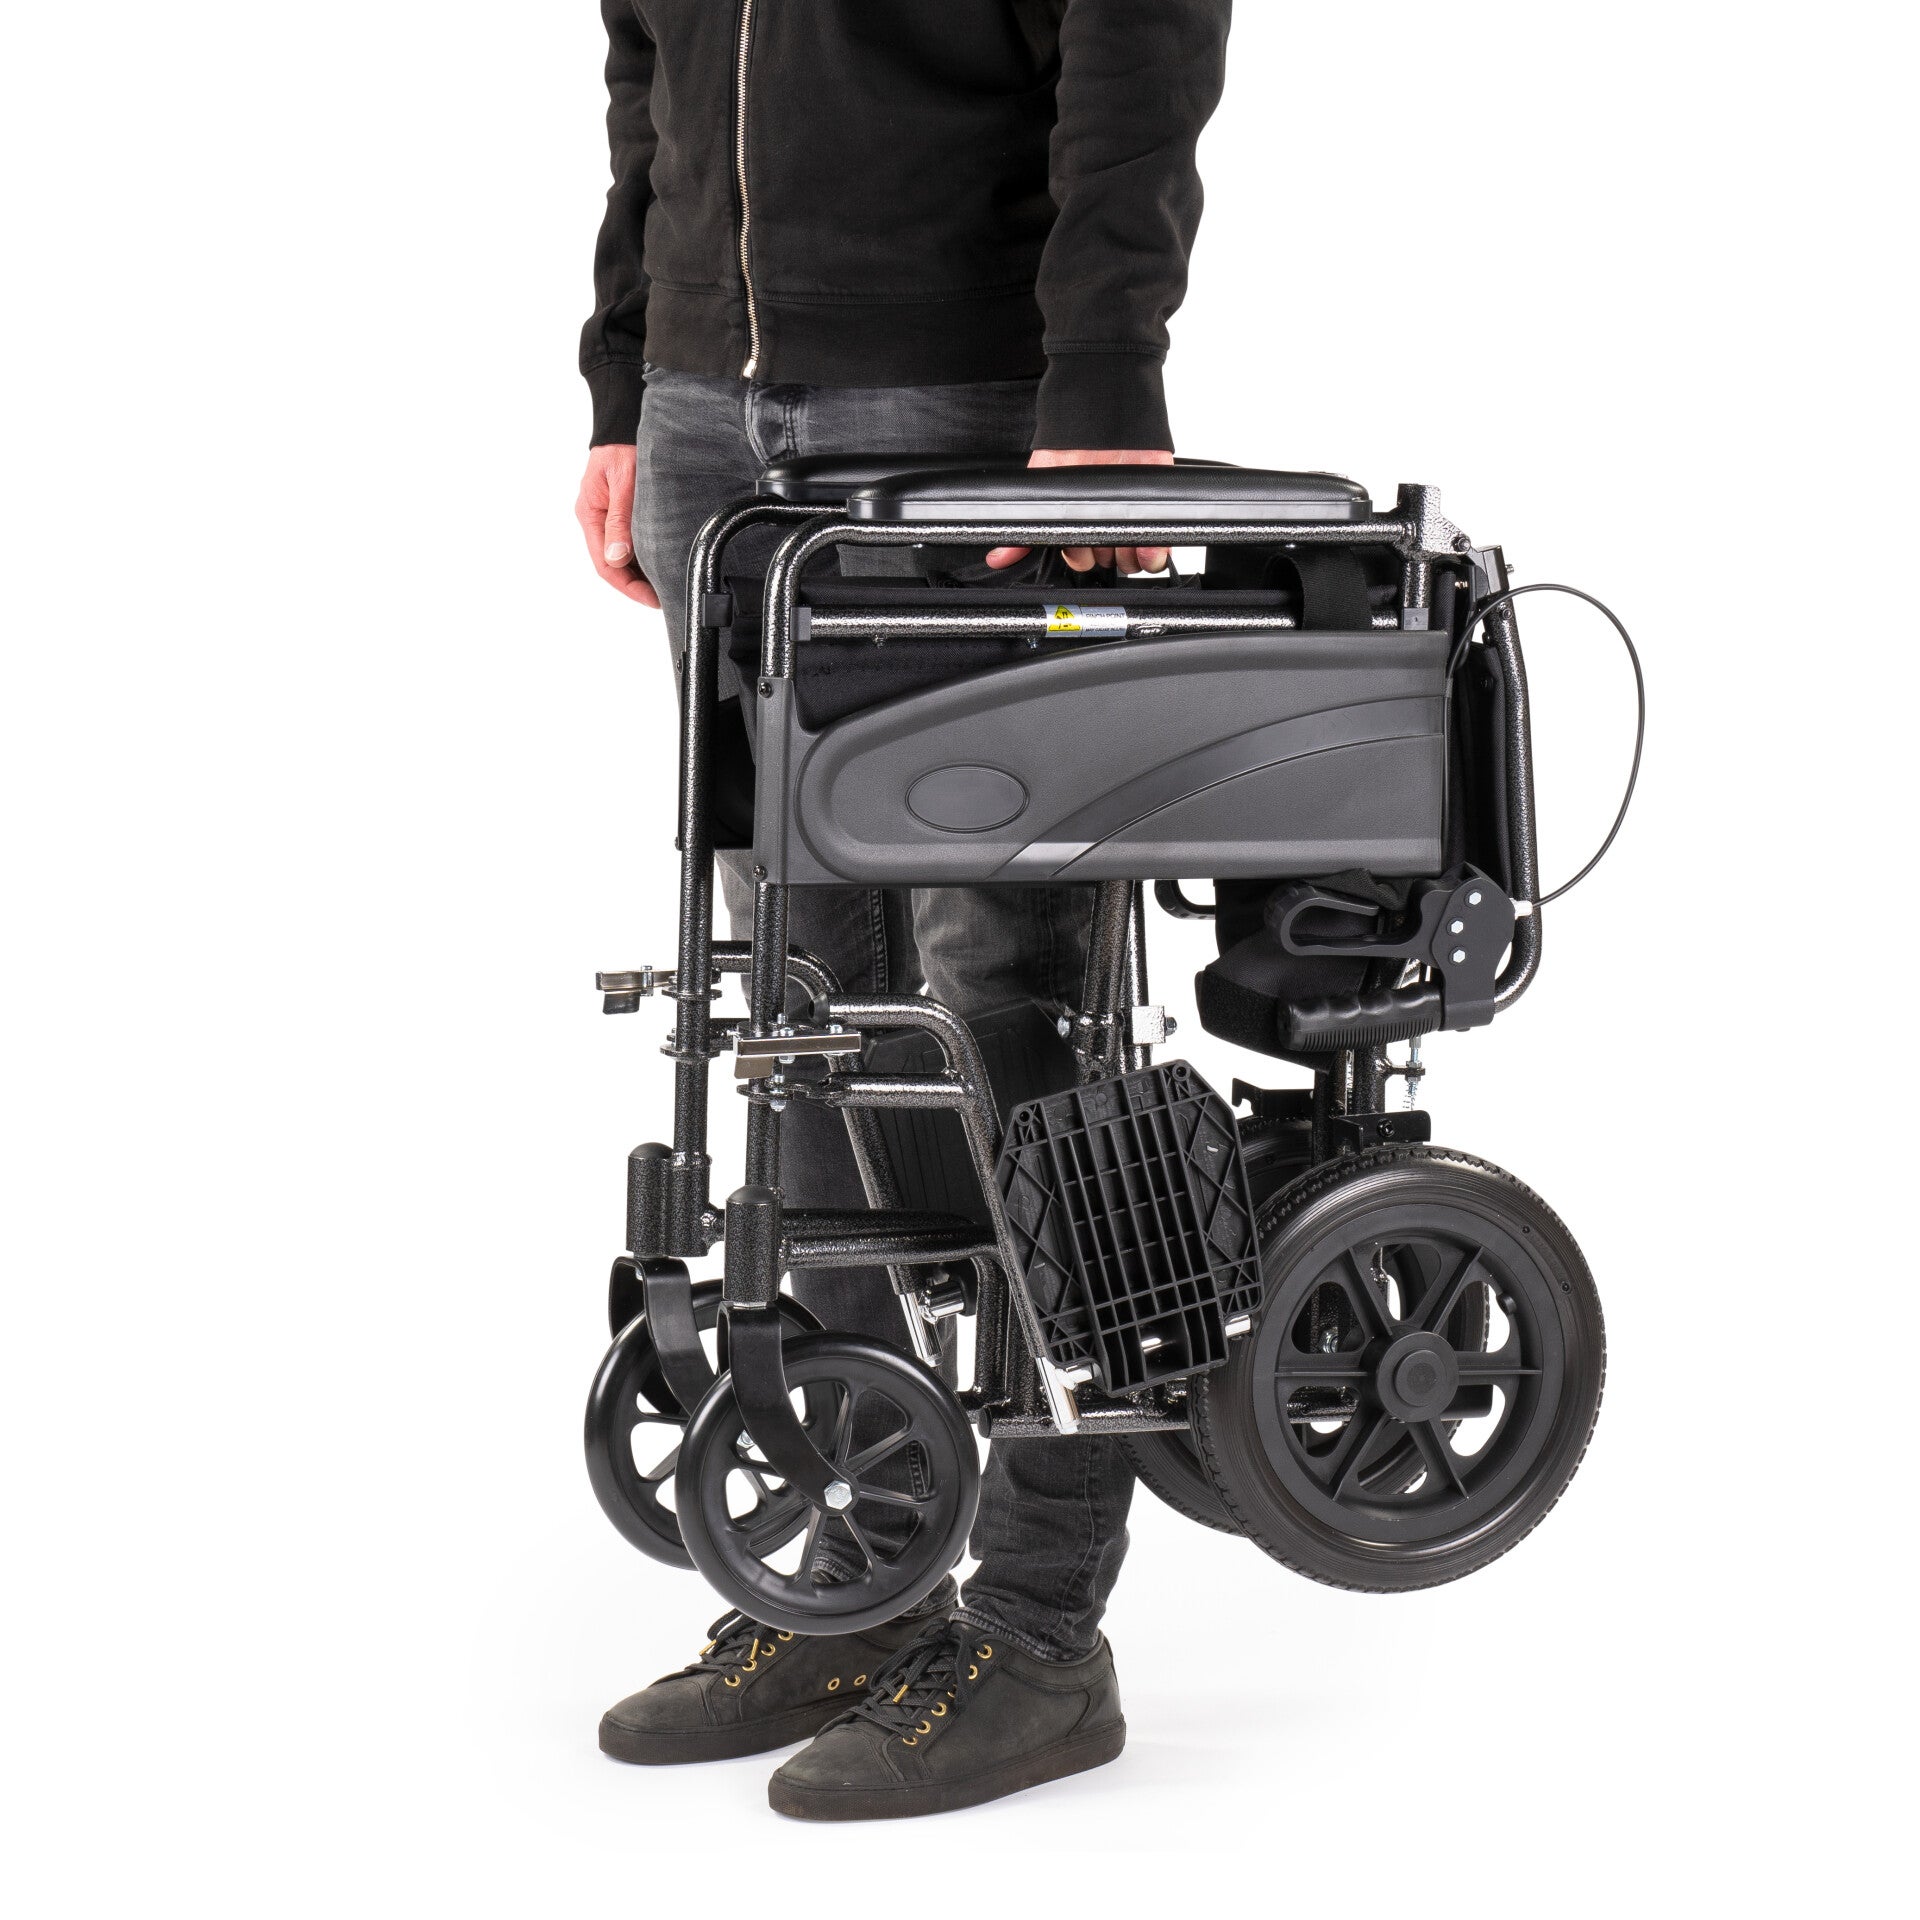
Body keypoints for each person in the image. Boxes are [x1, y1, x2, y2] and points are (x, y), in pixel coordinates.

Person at [575, 0, 1231, 1820]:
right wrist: (628, 368)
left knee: (1005, 992)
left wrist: (1104, 376)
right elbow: (644, 54)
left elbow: (1140, 24)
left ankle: (1039, 1627)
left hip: (969, 388)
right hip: (708, 410)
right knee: (798, 1003)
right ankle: (866, 1565)